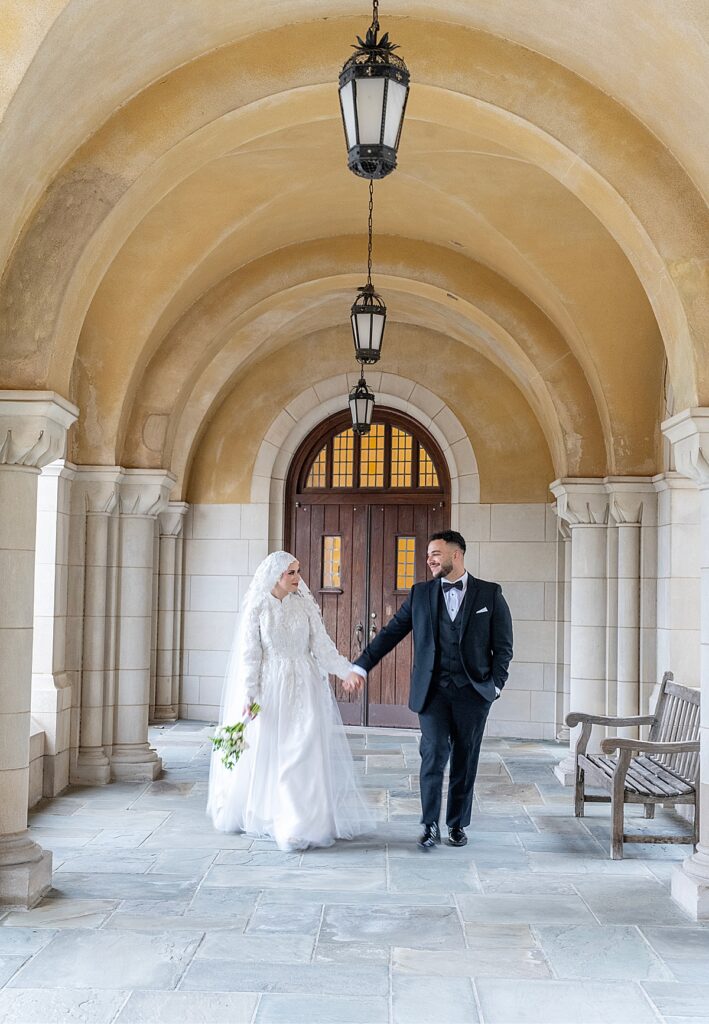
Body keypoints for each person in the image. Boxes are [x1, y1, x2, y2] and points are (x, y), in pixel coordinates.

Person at [346, 530, 513, 850]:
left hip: (473, 693)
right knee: (434, 754)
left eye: (436, 553)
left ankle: (457, 825)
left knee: (466, 758)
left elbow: (503, 646)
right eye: (428, 554)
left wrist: (496, 686)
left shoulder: (490, 594)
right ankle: (429, 825)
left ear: (456, 554)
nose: (429, 559)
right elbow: (391, 632)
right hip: (432, 692)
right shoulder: (420, 594)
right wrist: (361, 665)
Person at [207, 550, 373, 851]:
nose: (298, 578)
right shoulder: (258, 607)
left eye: (298, 571)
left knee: (304, 748)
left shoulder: (306, 605)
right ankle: (277, 816)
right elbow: (250, 655)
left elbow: (322, 646)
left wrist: (346, 671)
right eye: (291, 573)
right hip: (271, 687)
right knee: (276, 751)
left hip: (305, 686)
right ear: (276, 576)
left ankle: (302, 823)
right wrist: (250, 694)